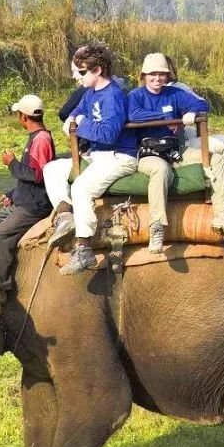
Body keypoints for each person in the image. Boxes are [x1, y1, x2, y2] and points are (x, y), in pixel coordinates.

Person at [127, 53, 224, 253]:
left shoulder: (173, 93)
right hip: (150, 154)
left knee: (215, 158)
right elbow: (134, 115)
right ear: (144, 76)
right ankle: (157, 227)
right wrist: (168, 117)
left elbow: (201, 105)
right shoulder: (136, 96)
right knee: (160, 171)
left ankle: (223, 213)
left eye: (162, 74)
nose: (157, 79)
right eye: (153, 74)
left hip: (176, 150)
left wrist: (190, 112)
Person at [43, 43, 138, 275]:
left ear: (98, 70)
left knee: (81, 188)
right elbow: (76, 111)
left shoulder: (113, 96)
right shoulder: (90, 93)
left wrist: (79, 125)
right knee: (52, 168)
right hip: (97, 156)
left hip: (119, 157)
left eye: (82, 71)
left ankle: (84, 248)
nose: (77, 76)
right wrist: (74, 119)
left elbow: (107, 134)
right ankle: (66, 216)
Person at [0, 94, 56, 300]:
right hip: (25, 201)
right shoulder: (35, 138)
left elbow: (37, 175)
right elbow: (28, 179)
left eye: (19, 114)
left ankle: (0, 288)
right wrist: (12, 195)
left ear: (23, 117)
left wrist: (11, 163)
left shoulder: (41, 139)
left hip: (33, 207)